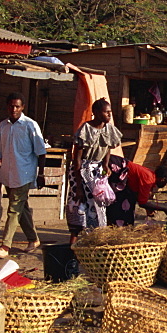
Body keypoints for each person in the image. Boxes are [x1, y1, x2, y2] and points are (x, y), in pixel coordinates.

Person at [0, 93, 48, 257]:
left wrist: (41, 173)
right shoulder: (2, 127)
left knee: (13, 209)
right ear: (7, 107)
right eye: (11, 106)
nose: (14, 109)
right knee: (21, 207)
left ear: (22, 107)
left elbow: (41, 152)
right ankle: (33, 239)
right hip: (8, 173)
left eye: (17, 106)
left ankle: (5, 246)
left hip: (24, 173)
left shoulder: (30, 125)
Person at [64, 98, 122, 245]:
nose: (109, 115)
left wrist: (106, 165)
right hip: (81, 171)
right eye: (106, 112)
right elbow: (76, 159)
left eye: (110, 112)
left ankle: (95, 241)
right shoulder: (86, 130)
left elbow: (108, 147)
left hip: (97, 172)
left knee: (99, 206)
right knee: (80, 206)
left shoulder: (109, 129)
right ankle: (74, 243)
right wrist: (78, 187)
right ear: (96, 113)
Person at [106, 159, 167, 226]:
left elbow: (139, 196)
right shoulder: (149, 179)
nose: (164, 185)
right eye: (166, 182)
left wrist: (149, 208)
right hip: (115, 168)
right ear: (163, 179)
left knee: (128, 202)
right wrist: (164, 209)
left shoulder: (150, 176)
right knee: (122, 206)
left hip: (119, 172)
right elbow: (142, 203)